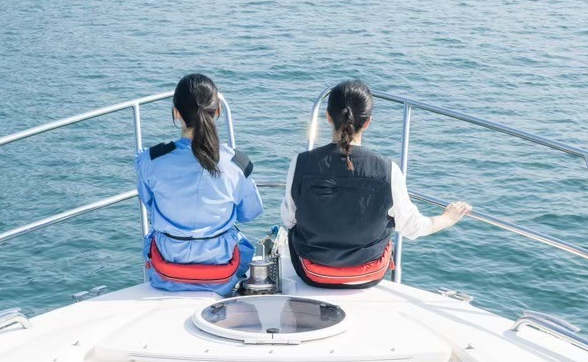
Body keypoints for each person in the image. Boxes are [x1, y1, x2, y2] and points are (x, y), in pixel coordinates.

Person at [280, 79, 470, 289]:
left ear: (327, 117)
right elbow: (414, 227)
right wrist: (447, 218)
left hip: (312, 273)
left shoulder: (301, 163)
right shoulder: (388, 170)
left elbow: (289, 220)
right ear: (368, 122)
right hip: (368, 275)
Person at [136, 73, 264, 292]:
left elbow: (149, 203)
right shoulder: (237, 164)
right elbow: (249, 213)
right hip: (220, 269)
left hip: (168, 266)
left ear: (176, 113)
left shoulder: (149, 160)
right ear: (218, 111)